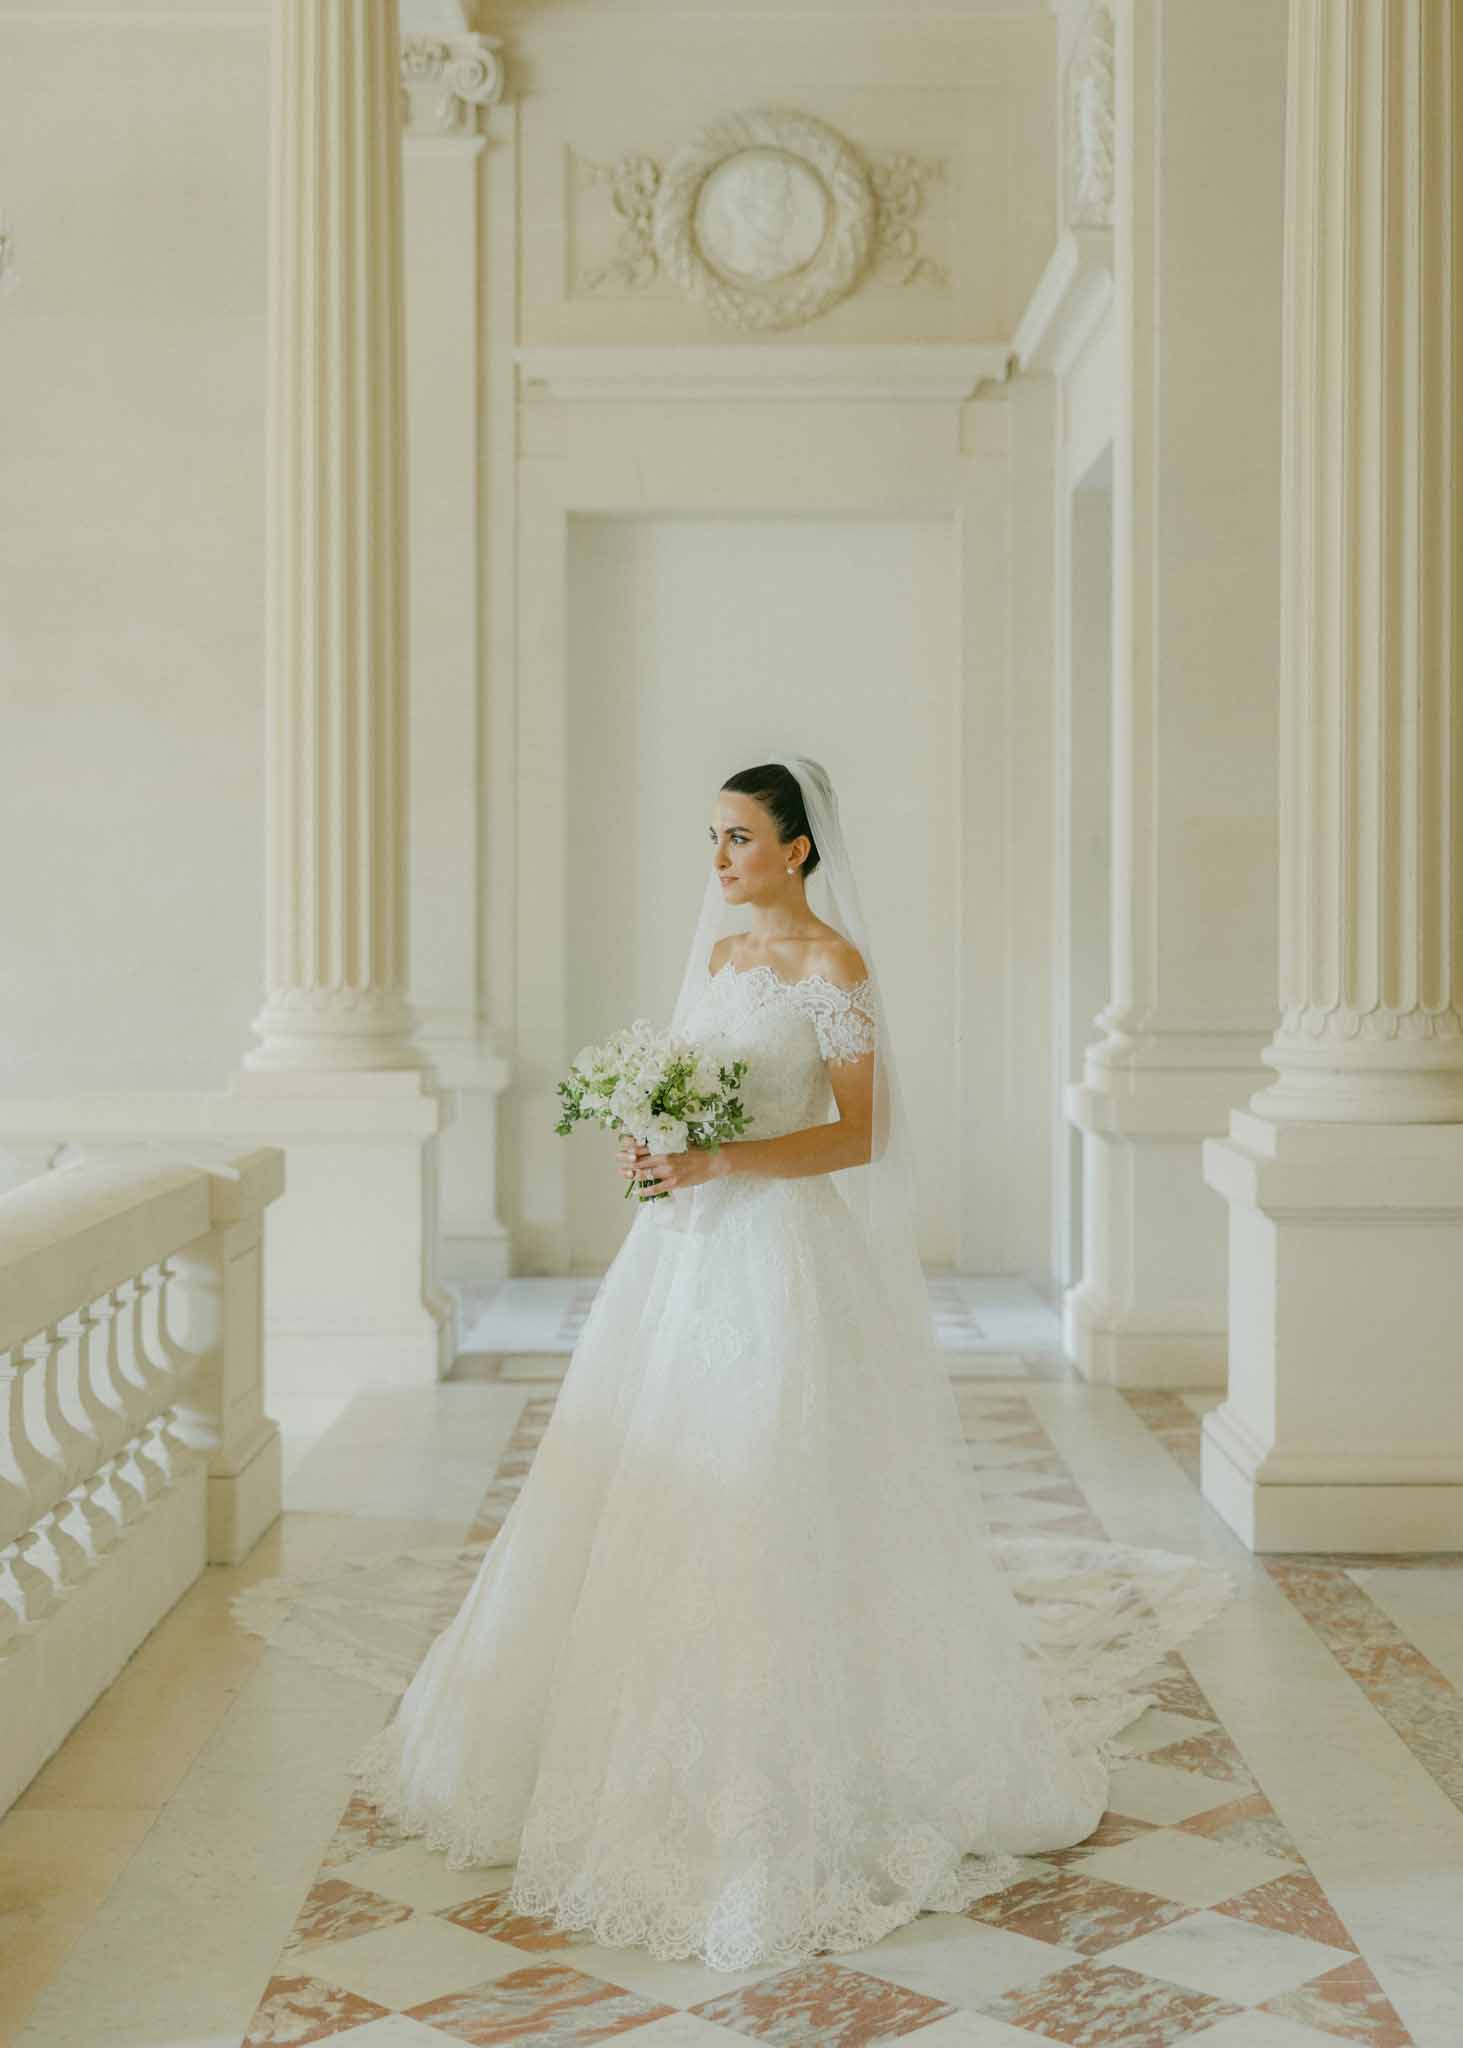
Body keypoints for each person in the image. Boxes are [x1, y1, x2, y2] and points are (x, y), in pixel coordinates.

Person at [232, 754, 1231, 1973]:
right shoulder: (713, 958)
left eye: (739, 838)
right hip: (683, 1254)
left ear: (798, 848)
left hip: (783, 1260)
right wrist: (651, 1145)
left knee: (770, 1486)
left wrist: (718, 1162)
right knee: (652, 1482)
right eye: (709, 837)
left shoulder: (833, 966)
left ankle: (793, 1774)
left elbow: (859, 1134)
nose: (716, 861)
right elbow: (685, 1097)